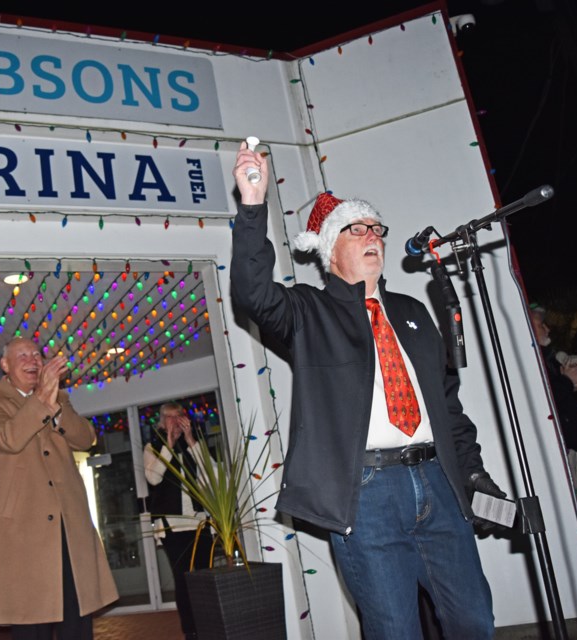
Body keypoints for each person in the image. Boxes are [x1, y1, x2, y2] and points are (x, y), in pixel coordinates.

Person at [229, 142, 504, 639]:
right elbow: (251, 291)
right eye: (357, 230)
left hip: (438, 482)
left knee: (474, 621)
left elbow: (446, 406)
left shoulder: (414, 313)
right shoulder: (308, 312)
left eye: (376, 228)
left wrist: (473, 472)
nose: (372, 236)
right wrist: (253, 205)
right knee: (394, 629)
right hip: (367, 495)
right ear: (330, 247)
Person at [0, 338, 117, 640]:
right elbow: (6, 438)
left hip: (70, 524)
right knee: (31, 620)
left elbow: (86, 438)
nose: (33, 360)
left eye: (38, 354)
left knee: (76, 617)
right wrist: (41, 400)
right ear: (5, 366)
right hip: (25, 529)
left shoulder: (60, 398)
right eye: (23, 355)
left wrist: (57, 409)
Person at [143, 402, 215, 640]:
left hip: (200, 524)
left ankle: (209, 627)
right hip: (173, 527)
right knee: (184, 580)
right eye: (170, 417)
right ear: (161, 422)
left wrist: (191, 440)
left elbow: (213, 476)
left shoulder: (195, 445)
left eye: (179, 416)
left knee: (204, 579)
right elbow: (153, 478)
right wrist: (169, 446)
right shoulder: (153, 447)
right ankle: (191, 632)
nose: (175, 421)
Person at [528, 306, 577, 538]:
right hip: (556, 451)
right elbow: (541, 399)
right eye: (540, 324)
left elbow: (567, 402)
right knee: (571, 520)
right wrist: (567, 382)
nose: (547, 328)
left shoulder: (550, 359)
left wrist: (574, 385)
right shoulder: (525, 360)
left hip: (573, 446)